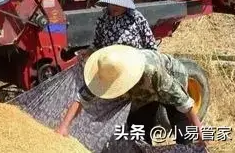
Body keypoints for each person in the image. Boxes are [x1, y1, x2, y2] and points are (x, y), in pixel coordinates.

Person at [56, 45, 205, 146]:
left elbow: (184, 103)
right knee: (137, 127)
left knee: (179, 123)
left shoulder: (151, 72)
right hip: (143, 92)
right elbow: (81, 99)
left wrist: (200, 133)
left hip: (171, 75)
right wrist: (64, 127)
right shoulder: (105, 71)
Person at [78, 0, 157, 62]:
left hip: (134, 64)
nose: (114, 7)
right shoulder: (103, 20)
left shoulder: (136, 18)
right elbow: (97, 44)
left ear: (126, 5)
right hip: (110, 65)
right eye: (112, 3)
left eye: (119, 3)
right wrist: (88, 52)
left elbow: (151, 46)